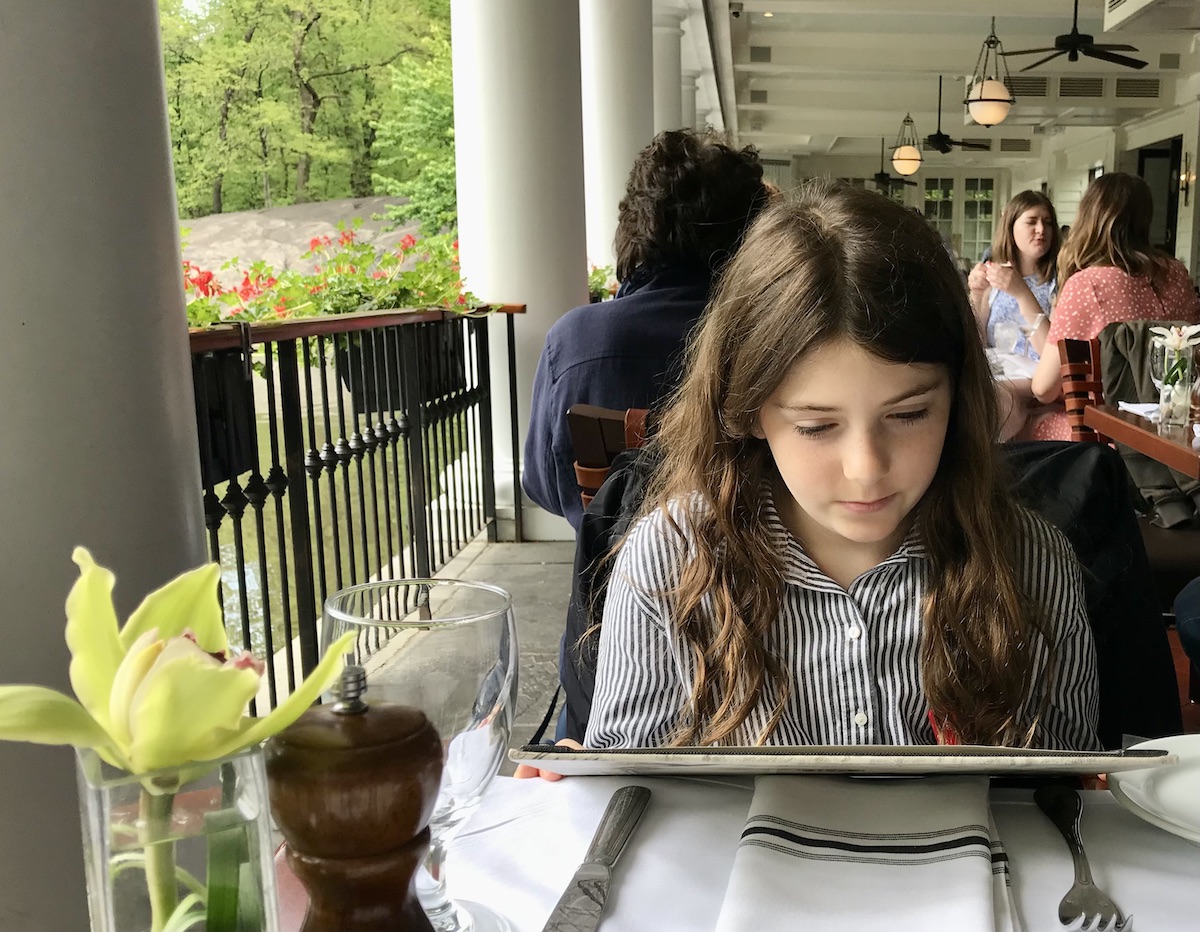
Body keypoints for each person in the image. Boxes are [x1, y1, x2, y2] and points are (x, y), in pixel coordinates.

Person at [581, 182, 1099, 751]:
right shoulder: (671, 563)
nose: (866, 468)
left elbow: (1063, 788)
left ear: (958, 397)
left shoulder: (1032, 566)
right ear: (748, 410)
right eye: (816, 426)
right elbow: (630, 781)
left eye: (908, 414)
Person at [522, 129, 771, 530]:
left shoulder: (574, 341)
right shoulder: (773, 336)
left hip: (609, 578)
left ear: (634, 225)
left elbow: (544, 486)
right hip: (749, 580)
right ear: (753, 234)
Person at [1028, 172, 1200, 440]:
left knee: (1027, 420)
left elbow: (1043, 388)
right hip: (1173, 433)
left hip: (1108, 438)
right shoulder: (1178, 275)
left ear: (1088, 217)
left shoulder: (1088, 284)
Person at [968, 190, 1060, 362]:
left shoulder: (1059, 280)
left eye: (1047, 223)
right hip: (998, 376)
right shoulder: (994, 274)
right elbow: (975, 344)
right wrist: (976, 294)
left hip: (1036, 383)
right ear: (1010, 227)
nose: (1041, 229)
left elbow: (1052, 356)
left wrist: (1022, 293)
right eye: (1031, 222)